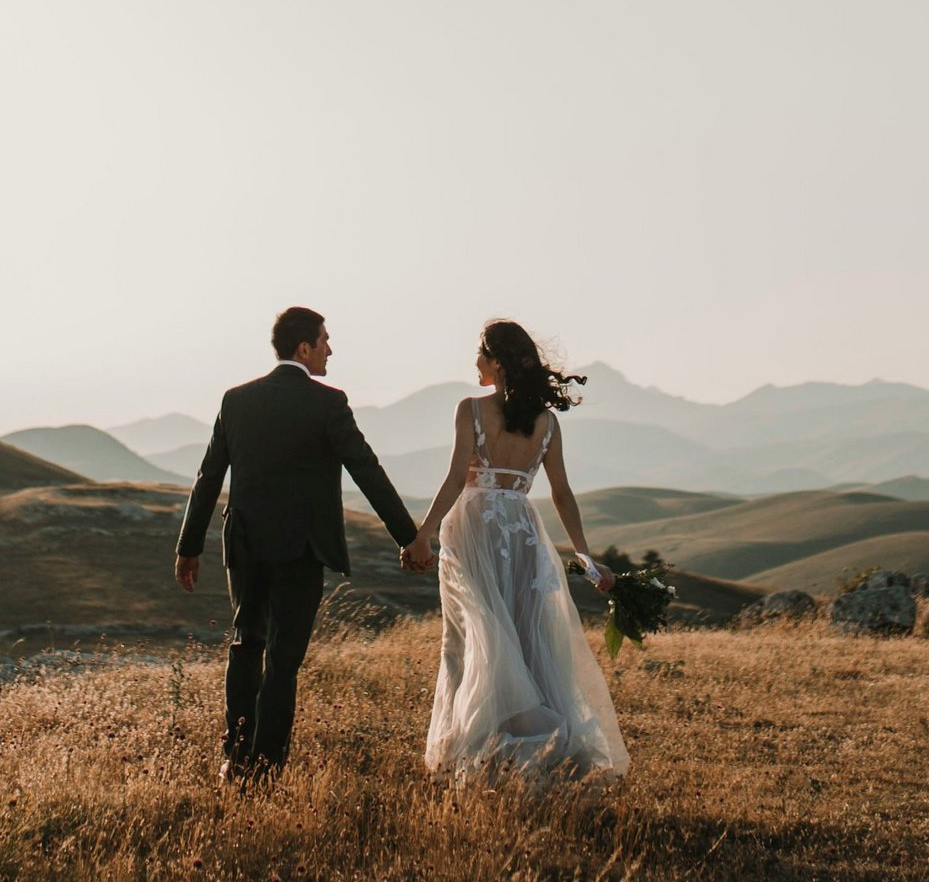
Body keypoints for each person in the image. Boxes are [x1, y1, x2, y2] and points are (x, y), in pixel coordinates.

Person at [173, 307, 431, 785]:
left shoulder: (236, 400)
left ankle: (236, 758)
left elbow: (208, 476)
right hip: (302, 550)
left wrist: (188, 547)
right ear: (304, 348)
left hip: (245, 546)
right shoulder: (328, 403)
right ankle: (265, 768)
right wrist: (409, 537)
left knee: (245, 644)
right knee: (283, 659)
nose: (330, 349)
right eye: (325, 340)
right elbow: (367, 470)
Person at [415, 319, 630, 783]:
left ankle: (479, 749)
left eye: (480, 353)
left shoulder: (470, 409)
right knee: (526, 639)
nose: (475, 361)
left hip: (474, 530)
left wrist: (423, 534)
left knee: (474, 635)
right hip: (523, 533)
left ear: (497, 363)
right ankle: (536, 749)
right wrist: (585, 556)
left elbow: (455, 478)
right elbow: (562, 494)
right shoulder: (547, 422)